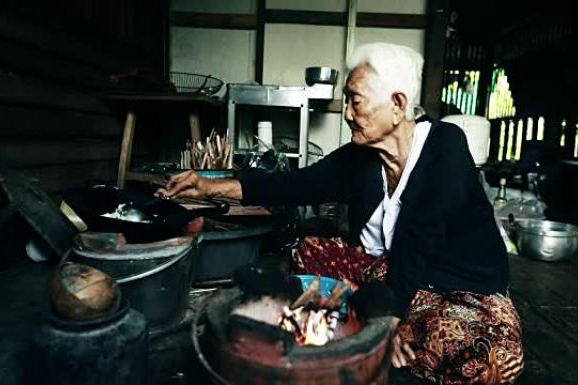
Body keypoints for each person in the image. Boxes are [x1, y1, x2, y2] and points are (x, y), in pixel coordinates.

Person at [156, 43, 523, 385]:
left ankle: (386, 326)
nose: (347, 113)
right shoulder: (362, 157)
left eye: (355, 102)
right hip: (387, 271)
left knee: (488, 356)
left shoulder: (446, 148)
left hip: (456, 285)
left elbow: (421, 243)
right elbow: (293, 184)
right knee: (310, 248)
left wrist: (385, 321)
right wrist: (208, 186)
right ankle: (386, 326)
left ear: (397, 104)